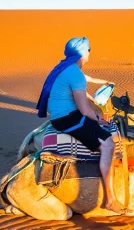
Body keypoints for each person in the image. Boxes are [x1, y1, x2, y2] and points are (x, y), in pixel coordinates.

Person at [35, 37, 125, 213]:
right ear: (82, 52)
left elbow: (88, 80)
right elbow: (85, 110)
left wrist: (105, 83)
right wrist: (100, 119)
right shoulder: (75, 74)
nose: (90, 52)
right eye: (89, 49)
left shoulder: (67, 69)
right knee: (108, 144)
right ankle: (111, 200)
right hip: (68, 118)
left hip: (65, 115)